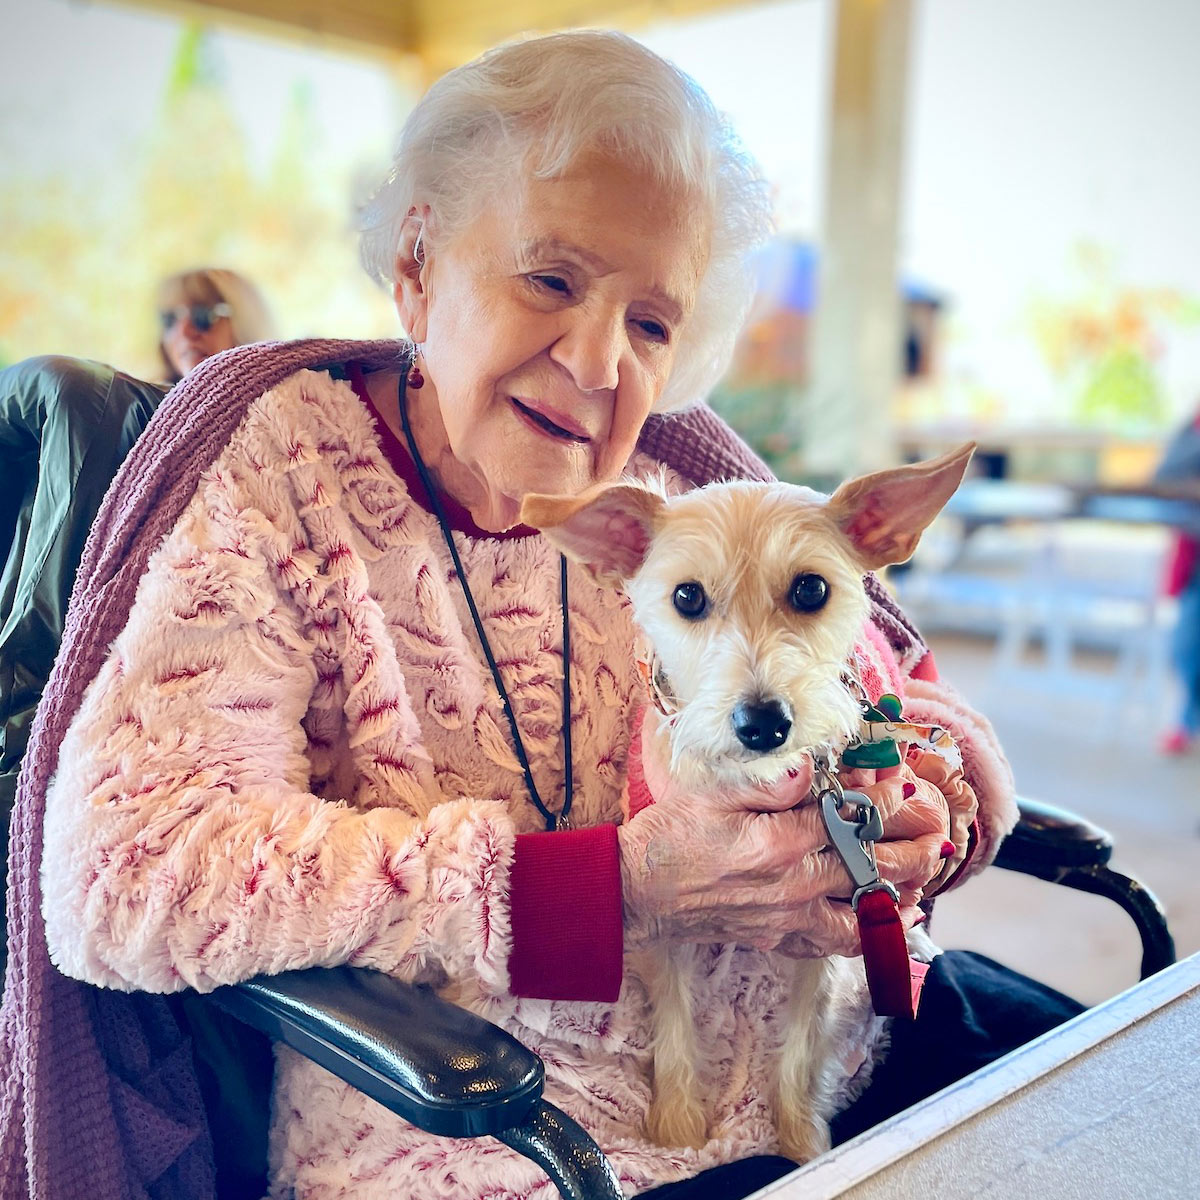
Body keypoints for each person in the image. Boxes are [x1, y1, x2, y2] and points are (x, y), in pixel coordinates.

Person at [0, 32, 1080, 1200]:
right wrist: (595, 887)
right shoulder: (276, 480)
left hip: (805, 1061)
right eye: (551, 279)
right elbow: (125, 880)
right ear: (417, 261)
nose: (598, 361)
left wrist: (937, 804)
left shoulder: (681, 469)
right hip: (490, 1127)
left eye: (653, 322)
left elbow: (902, 683)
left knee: (1101, 1092)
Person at [1154, 403, 1200, 754]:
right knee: (1187, 645)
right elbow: (1165, 474)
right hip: (1194, 554)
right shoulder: (1191, 427)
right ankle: (1186, 720)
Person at [155, 267, 275, 383]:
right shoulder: (149, 400)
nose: (184, 332)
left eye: (203, 315)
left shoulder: (281, 395)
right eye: (169, 320)